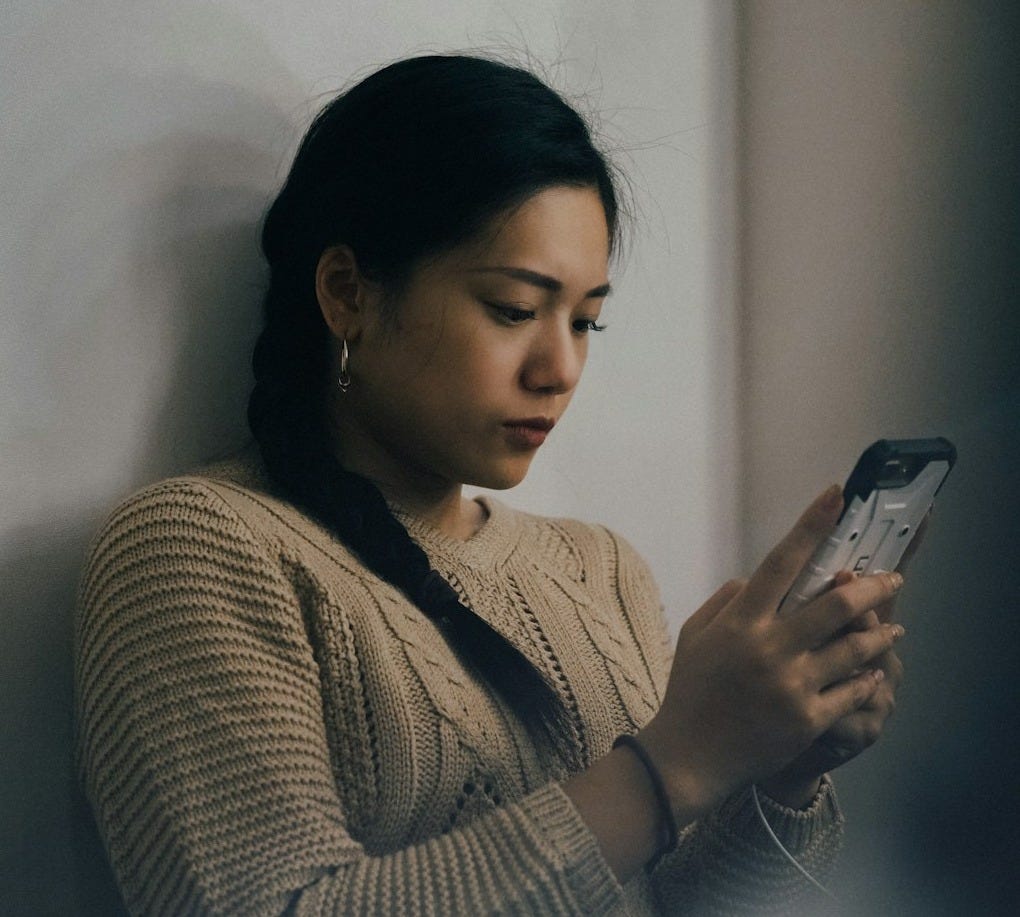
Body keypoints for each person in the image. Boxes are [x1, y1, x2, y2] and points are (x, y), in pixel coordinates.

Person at [74, 54, 906, 916]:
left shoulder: (602, 572)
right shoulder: (196, 549)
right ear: (348, 293)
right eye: (514, 309)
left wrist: (781, 772)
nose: (560, 368)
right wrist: (673, 766)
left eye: (586, 320)